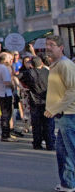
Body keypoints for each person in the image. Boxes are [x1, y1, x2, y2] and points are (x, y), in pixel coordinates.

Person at [44, 35, 75, 192]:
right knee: (63, 152)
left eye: (52, 45)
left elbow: (73, 90)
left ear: (61, 47)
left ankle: (69, 184)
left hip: (69, 114)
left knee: (70, 152)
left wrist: (55, 108)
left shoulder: (65, 64)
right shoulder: (56, 65)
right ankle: (67, 184)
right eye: (47, 44)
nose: (48, 47)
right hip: (63, 115)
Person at [20, 56, 54, 150]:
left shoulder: (29, 73)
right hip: (47, 101)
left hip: (35, 101)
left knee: (36, 124)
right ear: (41, 63)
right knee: (48, 123)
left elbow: (16, 77)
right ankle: (50, 144)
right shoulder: (47, 72)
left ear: (32, 64)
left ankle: (37, 144)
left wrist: (22, 88)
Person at [0, 52, 16, 142]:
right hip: (5, 92)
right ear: (5, 59)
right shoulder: (3, 68)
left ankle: (5, 133)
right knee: (6, 114)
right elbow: (7, 82)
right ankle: (5, 134)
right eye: (8, 58)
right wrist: (12, 86)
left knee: (4, 113)